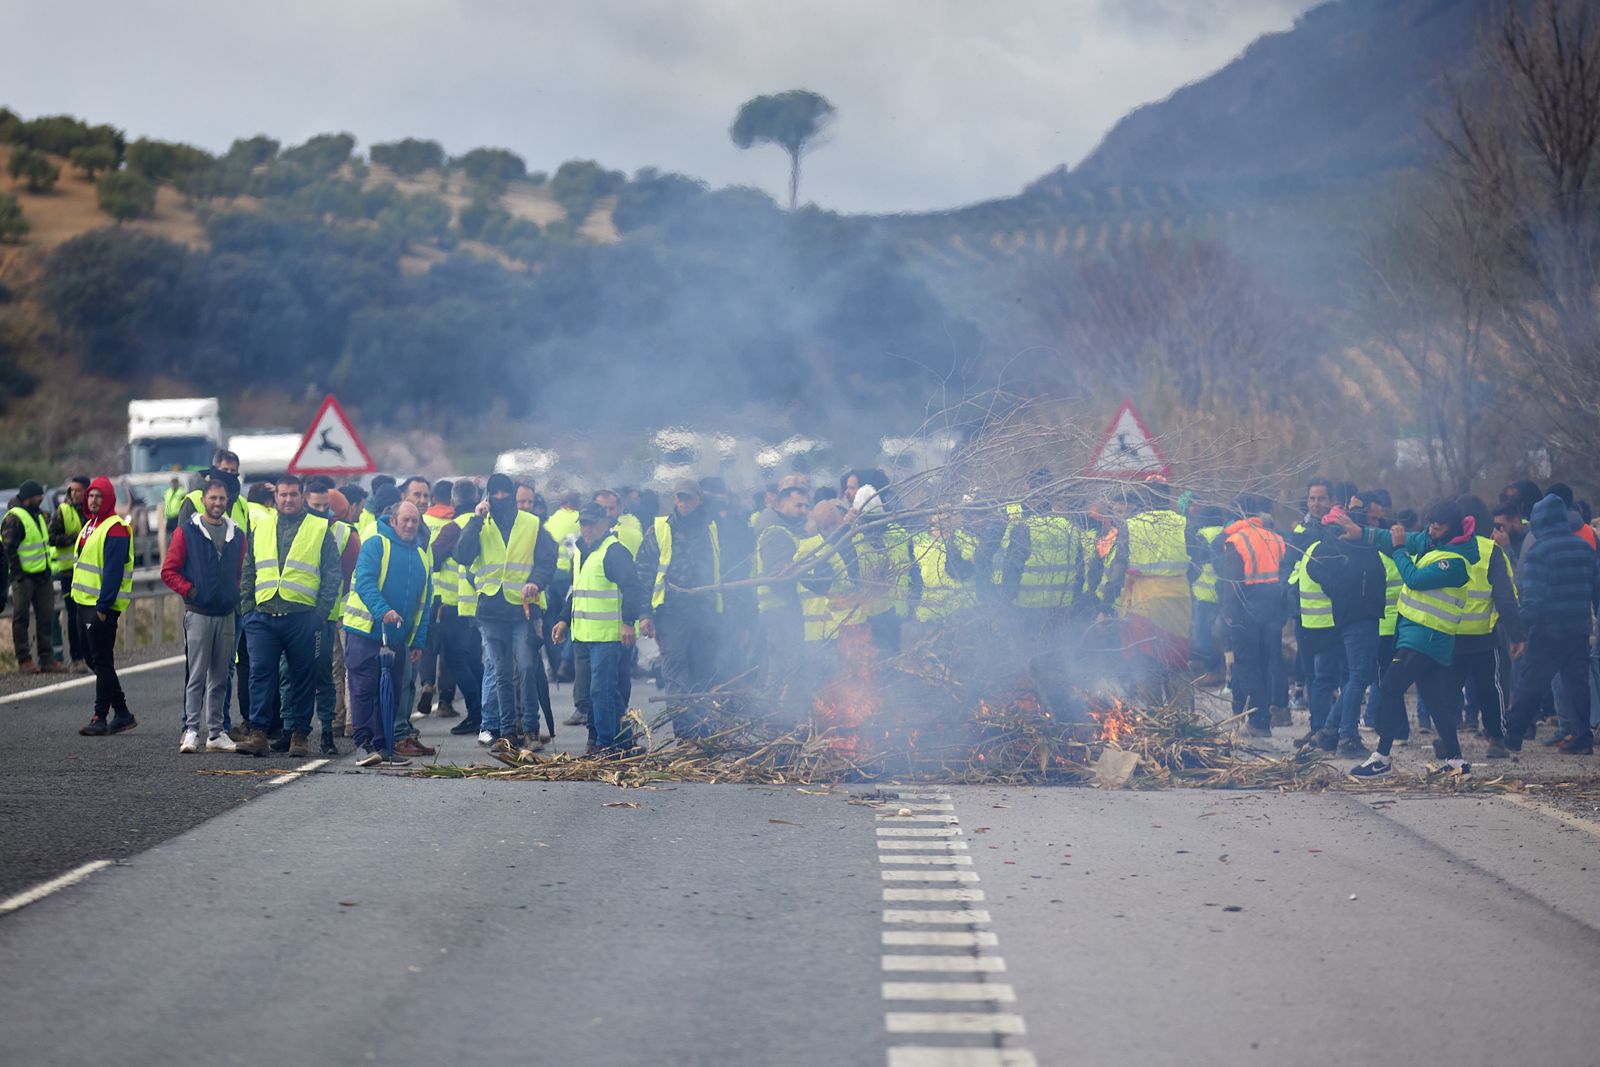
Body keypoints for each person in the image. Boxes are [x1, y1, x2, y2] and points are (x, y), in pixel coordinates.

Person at [1349, 500, 1475, 780]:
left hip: (1427, 637)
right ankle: (1456, 762)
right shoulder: (1436, 544)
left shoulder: (1454, 561)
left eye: (1438, 527)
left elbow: (1415, 578)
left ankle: (1382, 758)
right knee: (1434, 701)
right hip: (1422, 636)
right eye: (1430, 524)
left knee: (1391, 687)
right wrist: (1362, 532)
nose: (1431, 530)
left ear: (1452, 529)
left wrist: (1398, 550)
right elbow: (1397, 537)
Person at [236, 475, 341, 758]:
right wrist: (247, 609)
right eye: (283, 495)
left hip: (302, 617)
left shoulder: (319, 528)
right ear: (276, 498)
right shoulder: (262, 525)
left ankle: (299, 735)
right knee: (260, 674)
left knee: (302, 676)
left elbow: (333, 574)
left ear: (302, 496)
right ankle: (257, 732)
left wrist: (319, 614)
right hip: (263, 616)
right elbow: (249, 570)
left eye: (293, 494)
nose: (288, 500)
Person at [453, 473, 557, 756]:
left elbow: (549, 559)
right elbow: (461, 555)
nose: (500, 498)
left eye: (504, 493)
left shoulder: (531, 523)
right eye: (494, 493)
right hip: (491, 609)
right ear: (487, 496)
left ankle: (532, 730)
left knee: (526, 668)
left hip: (522, 610)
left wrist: (535, 581)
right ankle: (508, 733)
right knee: (501, 673)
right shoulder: (479, 522)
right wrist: (476, 519)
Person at [1502, 494, 1600, 755]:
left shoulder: (1539, 551)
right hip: (1579, 629)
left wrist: (1519, 632)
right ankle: (1582, 738)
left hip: (1548, 631)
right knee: (1577, 684)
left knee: (1530, 683)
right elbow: (1596, 591)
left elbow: (1532, 600)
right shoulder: (1585, 548)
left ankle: (1511, 736)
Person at [551, 503, 645, 755]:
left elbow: (633, 588)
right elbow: (575, 591)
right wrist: (563, 620)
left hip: (607, 636)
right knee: (597, 693)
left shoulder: (613, 552)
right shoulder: (580, 551)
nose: (587, 528)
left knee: (601, 690)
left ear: (605, 522)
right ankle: (622, 740)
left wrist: (628, 622)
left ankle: (605, 742)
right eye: (583, 523)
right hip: (582, 636)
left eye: (592, 523)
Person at [343, 501, 431, 767]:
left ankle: (385, 748)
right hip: (364, 632)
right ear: (392, 521)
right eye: (404, 520)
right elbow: (364, 583)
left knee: (390, 692)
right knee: (363, 690)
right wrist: (384, 611)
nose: (409, 525)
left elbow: (424, 603)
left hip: (396, 639)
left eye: (414, 521)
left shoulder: (421, 556)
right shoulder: (376, 544)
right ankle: (363, 745)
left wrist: (418, 640)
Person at [161, 477, 246, 753]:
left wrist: (234, 595)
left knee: (221, 676)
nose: (218, 503)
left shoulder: (238, 535)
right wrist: (191, 592)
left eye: (222, 499)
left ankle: (216, 733)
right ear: (204, 500)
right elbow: (169, 571)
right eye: (213, 498)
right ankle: (192, 730)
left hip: (227, 613)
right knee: (196, 675)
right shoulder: (187, 532)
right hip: (198, 612)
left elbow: (242, 573)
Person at [635, 479, 724, 740]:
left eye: (689, 498)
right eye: (680, 498)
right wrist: (644, 614)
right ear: (674, 500)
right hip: (672, 614)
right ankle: (684, 734)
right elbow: (643, 572)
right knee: (676, 674)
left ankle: (702, 735)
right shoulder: (660, 529)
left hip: (705, 614)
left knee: (703, 674)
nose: (683, 503)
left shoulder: (711, 529)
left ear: (700, 500)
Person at [1301, 507, 1386, 757]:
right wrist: (1343, 590)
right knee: (1359, 677)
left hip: (1356, 616)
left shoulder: (1345, 546)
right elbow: (1318, 571)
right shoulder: (1344, 547)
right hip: (1359, 616)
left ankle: (1329, 730)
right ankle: (1347, 737)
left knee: (1356, 677)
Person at [1219, 495, 1287, 737]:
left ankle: (1259, 721)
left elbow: (1233, 582)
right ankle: (1246, 713)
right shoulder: (1275, 538)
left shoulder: (1236, 540)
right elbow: (1284, 572)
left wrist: (1229, 613)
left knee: (1247, 664)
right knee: (1264, 663)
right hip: (1272, 607)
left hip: (1245, 607)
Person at [73, 477, 136, 736]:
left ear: (109, 498)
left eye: (99, 496)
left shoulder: (116, 528)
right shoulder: (90, 525)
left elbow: (112, 571)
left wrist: (103, 605)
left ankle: (100, 716)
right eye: (90, 496)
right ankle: (122, 712)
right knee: (95, 659)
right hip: (83, 602)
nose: (93, 500)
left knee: (100, 660)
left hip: (100, 606)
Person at [431, 479, 487, 738]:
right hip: (482, 603)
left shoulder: (453, 528)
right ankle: (484, 712)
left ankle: (477, 713)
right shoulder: (484, 524)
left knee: (456, 660)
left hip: (455, 606)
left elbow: (431, 559)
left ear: (453, 502)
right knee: (475, 662)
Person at [5, 479, 60, 672]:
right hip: (24, 578)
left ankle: (47, 659)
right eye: (38, 496)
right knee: (21, 619)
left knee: (46, 617)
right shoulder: (14, 518)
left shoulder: (38, 515)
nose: (42, 499)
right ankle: (24, 660)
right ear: (29, 497)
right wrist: (18, 575)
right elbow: (8, 549)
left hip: (42, 576)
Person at [416, 479, 457, 719]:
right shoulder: (454, 523)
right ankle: (445, 702)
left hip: (427, 593)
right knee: (449, 652)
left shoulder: (421, 522)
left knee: (428, 644)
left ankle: (427, 683)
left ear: (432, 498)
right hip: (451, 595)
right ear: (452, 500)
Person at [48, 476, 91, 673]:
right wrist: (73, 538)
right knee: (73, 616)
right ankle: (77, 658)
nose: (74, 494)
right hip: (69, 573)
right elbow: (52, 538)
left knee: (90, 614)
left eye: (78, 490)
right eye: (71, 490)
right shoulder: (62, 511)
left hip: (91, 572)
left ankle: (92, 655)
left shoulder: (94, 513)